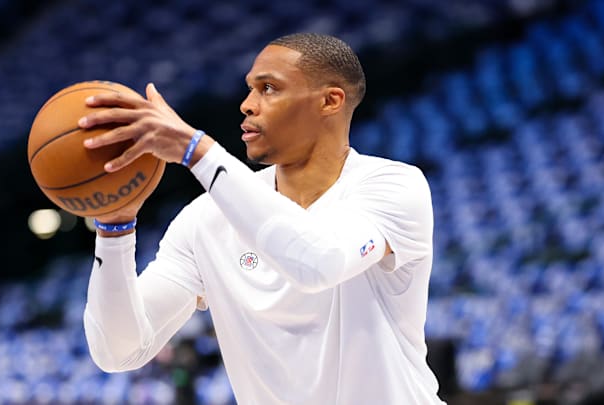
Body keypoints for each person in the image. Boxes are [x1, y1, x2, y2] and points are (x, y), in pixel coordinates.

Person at [79, 32, 446, 404]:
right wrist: (114, 229)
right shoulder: (205, 218)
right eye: (249, 89)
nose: (246, 105)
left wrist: (197, 150)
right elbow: (118, 351)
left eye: (268, 88)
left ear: (330, 101)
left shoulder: (393, 187)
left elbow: (318, 262)